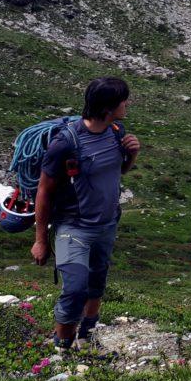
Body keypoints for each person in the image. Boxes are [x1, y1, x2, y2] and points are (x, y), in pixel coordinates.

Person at [30, 77, 140, 349]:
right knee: (75, 288)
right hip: (74, 226)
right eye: (123, 100)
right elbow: (44, 190)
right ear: (107, 107)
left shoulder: (116, 131)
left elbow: (117, 173)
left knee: (96, 282)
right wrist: (41, 240)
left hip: (106, 223)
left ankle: (87, 336)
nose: (127, 104)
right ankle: (62, 344)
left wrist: (132, 156)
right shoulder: (66, 143)